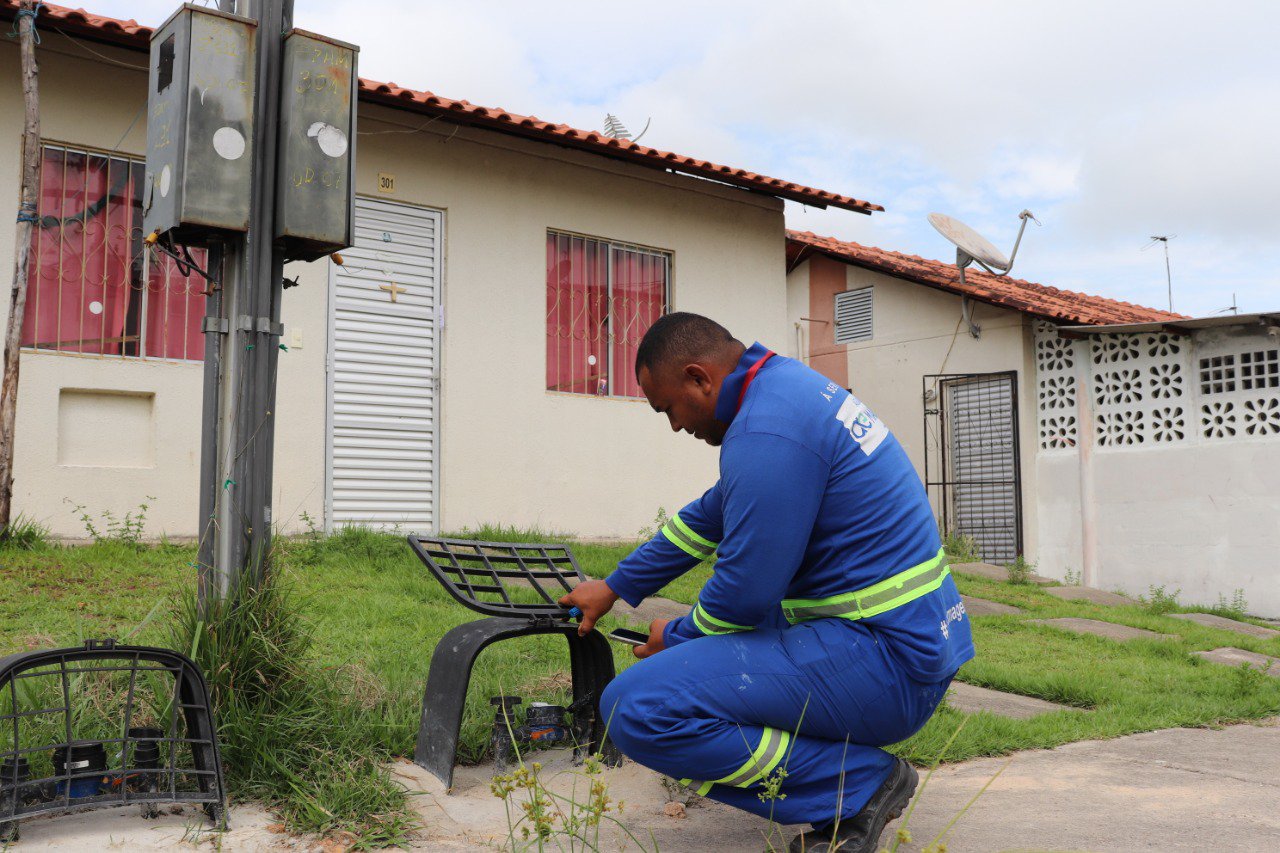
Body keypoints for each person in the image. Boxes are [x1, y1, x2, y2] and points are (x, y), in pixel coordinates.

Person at [559, 312, 974, 853]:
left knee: (638, 708)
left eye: (668, 409)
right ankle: (845, 773)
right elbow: (709, 516)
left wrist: (678, 638)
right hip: (904, 645)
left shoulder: (768, 429)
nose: (676, 426)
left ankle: (856, 783)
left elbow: (744, 594)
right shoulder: (785, 393)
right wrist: (613, 586)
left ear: (698, 378)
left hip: (887, 665)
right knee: (700, 668)